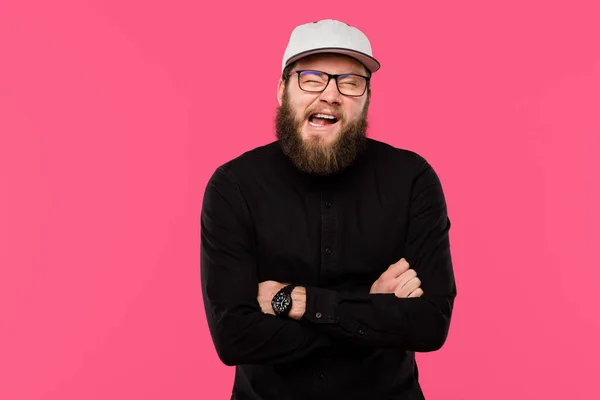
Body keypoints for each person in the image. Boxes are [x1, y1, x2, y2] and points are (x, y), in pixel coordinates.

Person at [200, 19, 457, 400]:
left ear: (366, 99)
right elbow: (234, 338)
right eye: (311, 78)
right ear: (282, 90)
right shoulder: (233, 186)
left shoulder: (412, 179)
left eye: (350, 83)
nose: (330, 95)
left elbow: (430, 325)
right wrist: (372, 307)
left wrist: (295, 302)